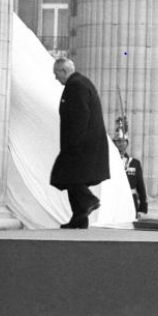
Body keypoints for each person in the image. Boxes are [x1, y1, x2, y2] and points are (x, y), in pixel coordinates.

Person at [50, 58, 110, 229]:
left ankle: (89, 200)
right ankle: (79, 219)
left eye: (56, 74)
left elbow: (79, 117)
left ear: (64, 71)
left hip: (80, 144)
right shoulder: (81, 83)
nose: (56, 78)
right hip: (84, 144)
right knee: (72, 178)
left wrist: (74, 145)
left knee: (65, 175)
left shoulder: (76, 86)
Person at [112, 119, 148, 219]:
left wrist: (142, 207)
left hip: (130, 200)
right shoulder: (109, 162)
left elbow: (140, 186)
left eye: (124, 141)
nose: (121, 144)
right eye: (118, 141)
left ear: (127, 143)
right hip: (114, 199)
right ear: (114, 143)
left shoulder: (134, 163)